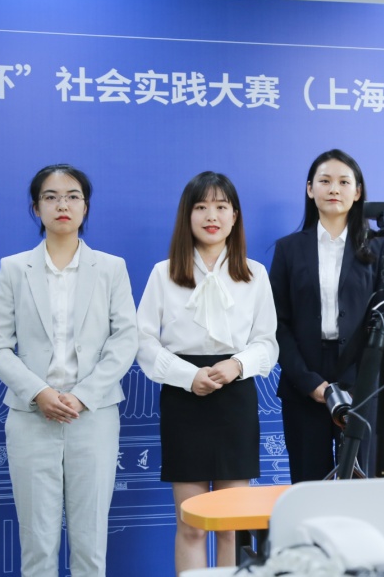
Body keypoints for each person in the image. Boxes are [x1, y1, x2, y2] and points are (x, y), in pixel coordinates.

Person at [0, 163, 138, 577]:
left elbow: (126, 340)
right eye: (50, 197)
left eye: (72, 196)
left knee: (90, 543)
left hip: (94, 415)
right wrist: (40, 393)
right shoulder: (14, 269)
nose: (62, 205)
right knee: (37, 544)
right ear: (36, 208)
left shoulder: (111, 268)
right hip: (32, 417)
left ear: (85, 206)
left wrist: (83, 395)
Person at [135, 171, 278, 575]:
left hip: (235, 396)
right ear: (187, 216)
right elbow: (143, 341)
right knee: (192, 525)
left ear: (235, 216)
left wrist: (237, 365)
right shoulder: (163, 273)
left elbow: (267, 343)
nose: (211, 216)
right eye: (201, 207)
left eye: (220, 206)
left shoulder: (254, 274)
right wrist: (187, 376)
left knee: (232, 526)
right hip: (184, 399)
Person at [269, 149, 384, 483]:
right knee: (309, 487)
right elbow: (277, 324)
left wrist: (362, 382)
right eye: (325, 181)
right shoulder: (288, 249)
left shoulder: (380, 248)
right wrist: (309, 383)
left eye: (344, 182)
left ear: (358, 192)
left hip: (363, 379)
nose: (334, 189)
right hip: (304, 379)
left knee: (362, 488)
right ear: (310, 189)